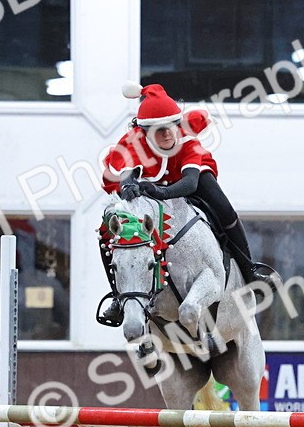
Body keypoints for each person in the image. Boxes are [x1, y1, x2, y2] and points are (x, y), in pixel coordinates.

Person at [98, 82, 274, 323]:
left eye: (172, 126)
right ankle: (119, 298)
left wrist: (160, 192)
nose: (169, 134)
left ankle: (249, 269)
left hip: (186, 177)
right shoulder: (130, 144)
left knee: (224, 209)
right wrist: (127, 187)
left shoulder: (187, 142)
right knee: (107, 230)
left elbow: (190, 184)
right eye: (160, 130)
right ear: (144, 133)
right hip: (152, 181)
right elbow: (126, 177)